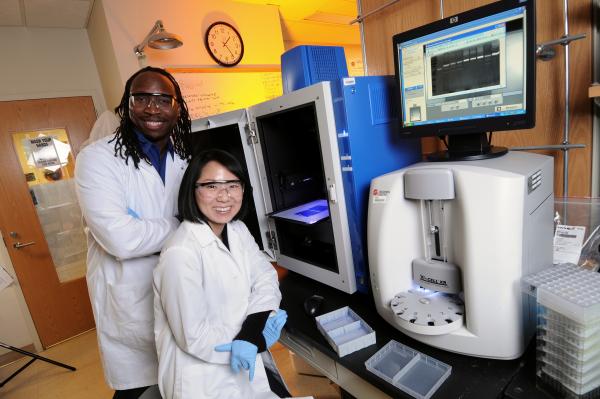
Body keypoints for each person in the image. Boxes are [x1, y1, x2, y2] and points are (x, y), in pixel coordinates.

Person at [75, 66, 192, 399]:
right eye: (141, 98)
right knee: (139, 387)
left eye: (162, 99)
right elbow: (120, 239)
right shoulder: (97, 159)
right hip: (130, 298)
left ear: (177, 107)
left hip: (182, 291)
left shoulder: (185, 157)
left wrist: (150, 228)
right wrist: (184, 224)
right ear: (127, 105)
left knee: (183, 381)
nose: (152, 108)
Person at [153, 149, 293, 399]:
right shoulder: (180, 253)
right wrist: (256, 340)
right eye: (211, 186)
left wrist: (251, 334)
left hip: (243, 358)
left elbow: (265, 279)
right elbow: (193, 336)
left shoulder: (237, 230)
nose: (224, 196)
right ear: (192, 190)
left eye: (232, 185)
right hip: (203, 379)